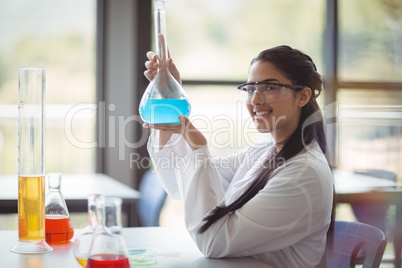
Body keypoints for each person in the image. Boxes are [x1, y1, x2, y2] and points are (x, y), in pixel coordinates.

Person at [143, 45, 334, 268]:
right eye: (250, 89)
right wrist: (169, 93)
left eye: (270, 87)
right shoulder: (263, 151)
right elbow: (181, 185)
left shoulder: (303, 174)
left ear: (302, 96)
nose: (255, 101)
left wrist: (198, 147)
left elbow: (214, 241)